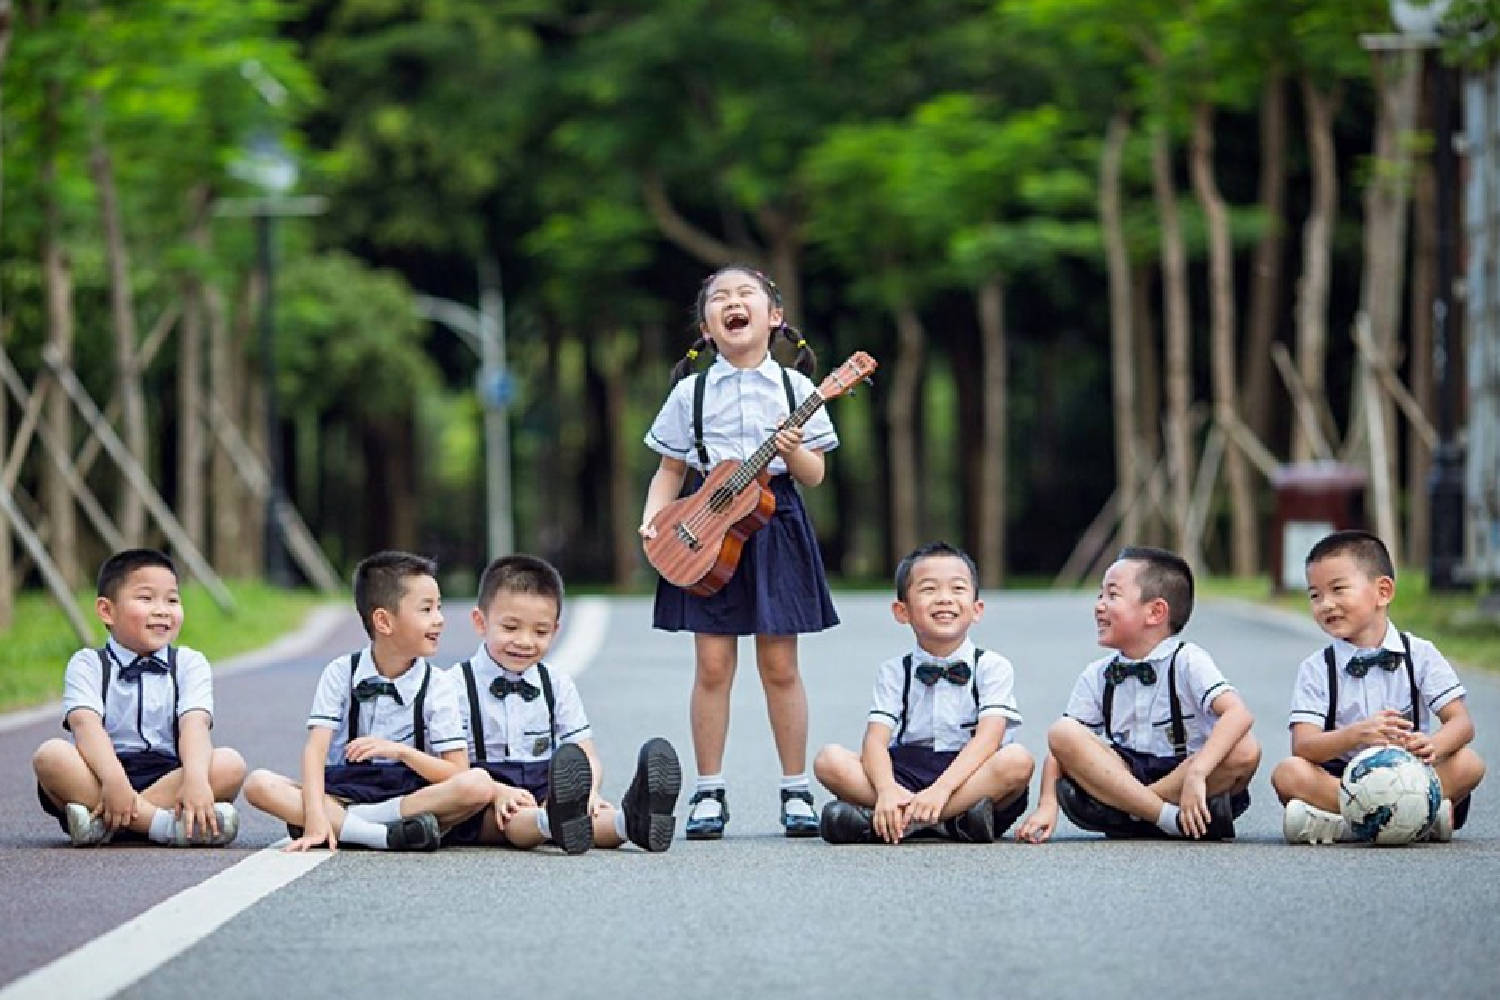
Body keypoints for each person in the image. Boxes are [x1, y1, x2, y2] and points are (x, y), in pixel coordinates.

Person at [639, 265, 839, 839]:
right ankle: (709, 792)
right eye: (719, 298)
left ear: (773, 316)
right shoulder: (690, 392)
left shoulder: (798, 389)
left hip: (776, 521)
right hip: (704, 526)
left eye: (745, 294)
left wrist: (793, 450)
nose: (733, 302)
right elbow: (670, 469)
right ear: (707, 327)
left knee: (780, 666)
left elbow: (815, 473)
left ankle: (795, 788)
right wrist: (655, 518)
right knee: (712, 665)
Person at [243, 551, 493, 851]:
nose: (439, 619)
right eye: (426, 609)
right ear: (384, 621)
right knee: (258, 784)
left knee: (477, 784)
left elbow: (457, 772)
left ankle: (355, 823)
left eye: (438, 608)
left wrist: (401, 752)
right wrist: (314, 815)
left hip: (410, 794)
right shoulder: (340, 672)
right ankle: (382, 836)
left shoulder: (437, 684)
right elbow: (315, 752)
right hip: (342, 789)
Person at [1018, 546, 1260, 843]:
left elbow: (1238, 714)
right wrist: (1047, 804)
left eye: (1112, 595)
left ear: (1155, 612)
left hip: (1184, 775)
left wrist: (1197, 772)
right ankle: (1164, 818)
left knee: (1246, 749)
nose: (1099, 605)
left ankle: (1127, 812)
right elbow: (1062, 750)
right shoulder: (1098, 674)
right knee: (1063, 732)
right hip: (1123, 772)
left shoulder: (1187, 660)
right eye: (1099, 595)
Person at [443, 554, 681, 853]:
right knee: (516, 819)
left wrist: (591, 792)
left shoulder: (556, 684)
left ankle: (631, 822)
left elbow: (586, 754)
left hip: (550, 787)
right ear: (480, 622)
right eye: (510, 628)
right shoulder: (453, 686)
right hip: (486, 797)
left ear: (555, 631)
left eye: (540, 632)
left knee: (591, 815)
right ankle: (552, 821)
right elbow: (447, 766)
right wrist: (496, 792)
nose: (525, 641)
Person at [1271, 529, 1486, 844]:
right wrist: (1356, 734)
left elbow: (1461, 723)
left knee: (1470, 763)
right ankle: (1412, 822)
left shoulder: (1420, 654)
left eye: (1338, 589)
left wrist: (1434, 746)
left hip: (1411, 775)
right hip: (1343, 780)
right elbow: (1303, 745)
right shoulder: (1318, 668)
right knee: (1288, 773)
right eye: (1315, 595)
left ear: (1383, 592)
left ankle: (1343, 826)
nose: (1325, 605)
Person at [813, 542, 1034, 845]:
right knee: (829, 760)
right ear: (901, 611)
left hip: (969, 777)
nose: (945, 599)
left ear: (977, 608)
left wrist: (941, 790)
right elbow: (875, 741)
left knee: (1017, 761)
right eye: (929, 590)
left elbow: (989, 738)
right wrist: (887, 788)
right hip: (907, 772)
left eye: (957, 589)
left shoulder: (992, 666)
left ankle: (902, 822)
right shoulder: (894, 670)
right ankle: (948, 822)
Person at [32, 548, 245, 847]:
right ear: (107, 610)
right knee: (51, 756)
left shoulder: (189, 662)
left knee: (229, 765)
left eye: (172, 600)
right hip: (100, 772)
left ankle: (104, 824)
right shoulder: (88, 663)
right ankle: (164, 827)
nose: (162, 610)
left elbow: (194, 726)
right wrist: (114, 781)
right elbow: (85, 726)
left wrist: (196, 780)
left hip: (169, 775)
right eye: (146, 599)